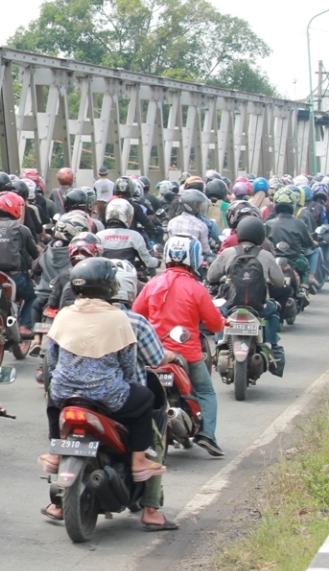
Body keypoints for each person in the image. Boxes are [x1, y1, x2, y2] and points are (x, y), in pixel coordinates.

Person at [42, 259, 178, 530]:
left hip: (65, 394)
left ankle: (56, 454)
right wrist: (127, 386)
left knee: (53, 402)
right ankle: (140, 463)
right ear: (109, 286)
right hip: (107, 396)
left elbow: (51, 358)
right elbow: (128, 364)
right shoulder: (119, 317)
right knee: (145, 400)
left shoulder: (64, 314)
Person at [134, 236, 226, 456]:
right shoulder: (196, 288)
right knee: (205, 391)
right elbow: (213, 323)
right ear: (193, 258)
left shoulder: (152, 284)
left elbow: (137, 315)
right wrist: (223, 322)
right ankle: (207, 435)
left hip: (154, 354)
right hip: (188, 353)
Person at [208, 216, 286, 354]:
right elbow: (279, 282)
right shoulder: (266, 256)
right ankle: (269, 343)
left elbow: (211, 276)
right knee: (274, 310)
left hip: (231, 304)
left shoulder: (228, 253)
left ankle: (220, 340)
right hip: (259, 306)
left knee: (219, 310)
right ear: (261, 235)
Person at [0, 191, 39, 336]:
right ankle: (24, 326)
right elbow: (35, 254)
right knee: (34, 296)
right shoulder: (22, 229)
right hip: (13, 276)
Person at [266, 186, 317, 287]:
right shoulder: (299, 223)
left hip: (273, 260)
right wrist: (314, 244)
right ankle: (303, 287)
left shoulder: (268, 224)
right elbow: (308, 243)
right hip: (295, 260)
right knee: (306, 269)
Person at [97, 198, 160, 274]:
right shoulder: (134, 236)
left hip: (105, 278)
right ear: (128, 215)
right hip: (128, 276)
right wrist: (157, 262)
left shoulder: (99, 236)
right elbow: (148, 262)